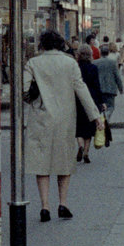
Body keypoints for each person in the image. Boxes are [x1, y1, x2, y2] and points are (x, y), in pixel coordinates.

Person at [24, 30, 101, 222]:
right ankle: (63, 203)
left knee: (42, 163)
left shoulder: (33, 63)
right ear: (60, 44)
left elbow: (24, 91)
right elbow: (81, 89)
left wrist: (34, 97)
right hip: (65, 118)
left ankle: (45, 206)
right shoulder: (70, 63)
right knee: (64, 161)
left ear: (42, 44)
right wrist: (95, 116)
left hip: (40, 118)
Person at [75, 45, 104, 164]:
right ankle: (86, 151)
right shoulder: (93, 68)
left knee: (79, 126)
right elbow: (97, 86)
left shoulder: (76, 67)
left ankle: (80, 146)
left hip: (77, 98)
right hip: (92, 98)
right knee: (89, 127)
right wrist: (101, 102)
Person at [93, 42, 123, 144]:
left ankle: (102, 120)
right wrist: (120, 88)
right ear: (108, 52)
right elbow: (117, 76)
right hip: (110, 89)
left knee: (100, 107)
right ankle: (106, 120)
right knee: (110, 107)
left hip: (99, 89)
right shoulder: (112, 62)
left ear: (101, 53)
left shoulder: (95, 63)